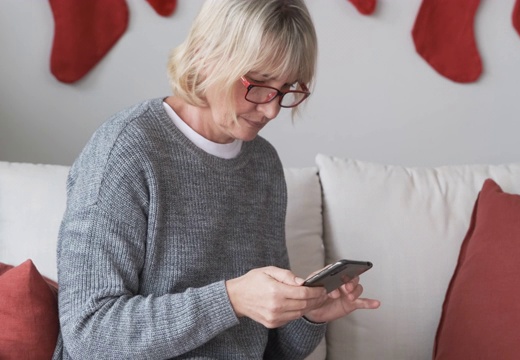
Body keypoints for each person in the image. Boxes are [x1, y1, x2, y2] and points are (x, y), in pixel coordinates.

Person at [53, 0, 380, 358]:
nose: (271, 109)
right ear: (206, 56)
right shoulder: (127, 151)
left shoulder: (263, 165)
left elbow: (269, 352)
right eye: (259, 83)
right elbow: (89, 334)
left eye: (287, 89)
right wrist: (230, 299)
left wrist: (309, 317)